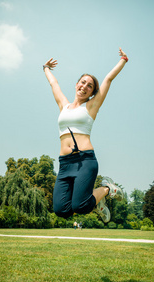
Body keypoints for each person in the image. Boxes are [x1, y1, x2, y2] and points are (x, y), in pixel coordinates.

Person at [43, 47, 128, 223]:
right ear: (76, 84)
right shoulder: (64, 106)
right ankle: (97, 203)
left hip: (85, 161)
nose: (85, 86)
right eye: (83, 82)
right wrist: (45, 68)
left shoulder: (91, 106)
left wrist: (123, 60)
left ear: (92, 92)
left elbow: (108, 79)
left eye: (90, 86)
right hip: (65, 164)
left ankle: (107, 189)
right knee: (61, 210)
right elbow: (54, 85)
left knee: (80, 206)